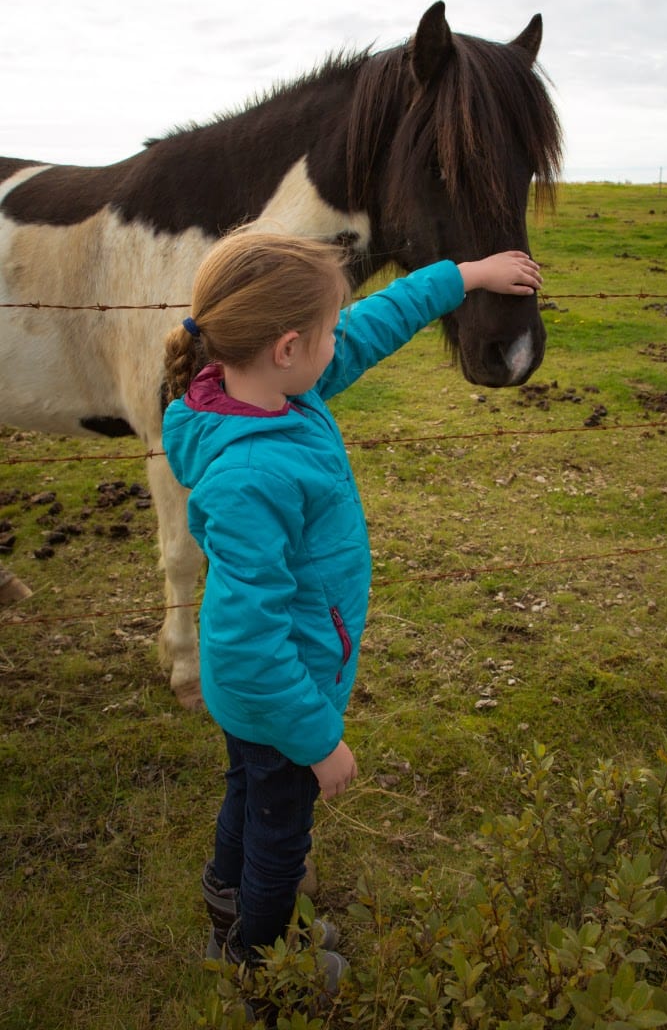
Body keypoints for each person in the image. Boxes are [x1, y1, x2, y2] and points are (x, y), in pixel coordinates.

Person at [161, 228, 543, 999]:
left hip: (267, 695)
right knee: (279, 829)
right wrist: (318, 738)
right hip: (281, 695)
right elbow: (246, 641)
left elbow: (373, 324)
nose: (345, 341)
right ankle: (266, 970)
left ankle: (226, 912)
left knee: (248, 792)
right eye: (330, 332)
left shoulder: (262, 393)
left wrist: (463, 275)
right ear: (290, 346)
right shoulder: (252, 473)